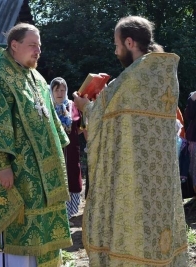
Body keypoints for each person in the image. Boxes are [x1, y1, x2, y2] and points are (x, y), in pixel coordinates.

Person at [73, 15, 188, 266]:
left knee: (136, 227)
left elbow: (102, 116)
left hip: (134, 175)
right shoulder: (165, 74)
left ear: (129, 42)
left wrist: (85, 105)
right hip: (162, 178)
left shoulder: (133, 77)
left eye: (116, 44)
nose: (115, 51)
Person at [0, 23, 72, 267]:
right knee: (19, 226)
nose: (38, 51)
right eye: (32, 45)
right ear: (14, 46)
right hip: (19, 171)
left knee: (43, 227)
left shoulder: (35, 77)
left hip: (44, 172)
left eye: (39, 46)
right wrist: (2, 164)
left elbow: (50, 121)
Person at [50, 77, 83, 223]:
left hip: (71, 151)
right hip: (54, 151)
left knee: (71, 178)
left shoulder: (72, 105)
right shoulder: (47, 107)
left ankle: (68, 213)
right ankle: (58, 214)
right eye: (56, 89)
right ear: (51, 91)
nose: (60, 93)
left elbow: (81, 127)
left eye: (63, 89)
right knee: (56, 180)